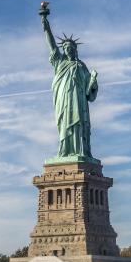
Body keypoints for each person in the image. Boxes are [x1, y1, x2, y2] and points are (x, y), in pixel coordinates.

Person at [41, 10, 98, 159]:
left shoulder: (81, 66)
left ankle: (80, 151)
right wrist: (45, 24)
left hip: (78, 100)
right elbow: (52, 45)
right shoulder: (59, 62)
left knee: (79, 124)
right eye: (65, 47)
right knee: (64, 124)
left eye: (71, 47)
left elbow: (88, 92)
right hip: (63, 98)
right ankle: (65, 151)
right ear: (63, 50)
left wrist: (92, 81)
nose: (68, 49)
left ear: (75, 50)